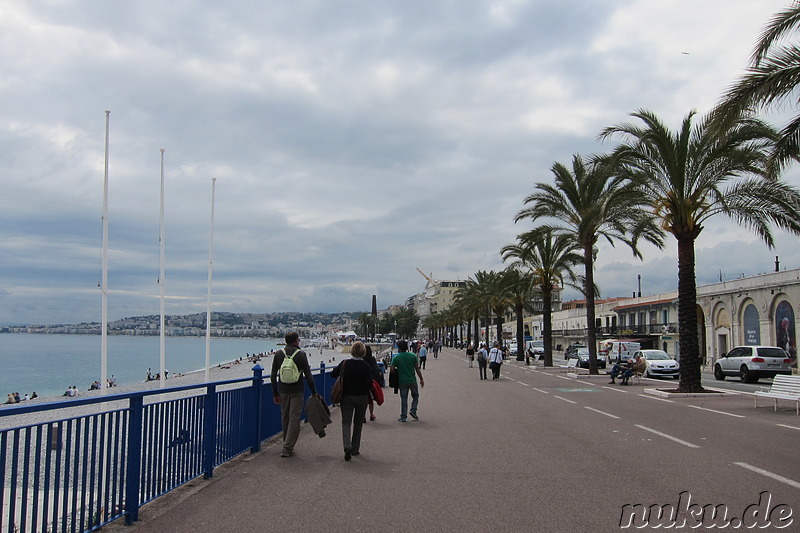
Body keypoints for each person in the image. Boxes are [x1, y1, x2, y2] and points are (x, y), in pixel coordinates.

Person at [270, 332, 319, 458]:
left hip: (283, 390)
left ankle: (287, 443)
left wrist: (275, 392)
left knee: (285, 417)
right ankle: (287, 447)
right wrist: (314, 392)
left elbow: (273, 374)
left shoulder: (279, 354)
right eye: (298, 339)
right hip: (297, 390)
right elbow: (308, 375)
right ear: (296, 341)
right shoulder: (301, 354)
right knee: (294, 418)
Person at [330, 341, 373, 461]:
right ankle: (355, 449)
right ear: (363, 352)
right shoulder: (366, 366)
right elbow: (369, 384)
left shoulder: (345, 363)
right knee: (358, 423)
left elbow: (333, 374)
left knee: (346, 422)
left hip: (347, 397)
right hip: (362, 397)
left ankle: (346, 446)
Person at [390, 339, 424, 422]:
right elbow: (417, 369)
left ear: (400, 348)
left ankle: (403, 416)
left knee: (404, 398)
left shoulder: (396, 358)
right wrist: (421, 379)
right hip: (412, 379)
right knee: (415, 396)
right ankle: (413, 410)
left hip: (402, 381)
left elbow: (392, 370)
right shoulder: (412, 356)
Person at [363, 345, 381, 421]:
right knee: (370, 399)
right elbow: (376, 368)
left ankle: (363, 416)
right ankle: (371, 415)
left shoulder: (361, 359)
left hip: (362, 381)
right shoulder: (372, 359)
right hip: (371, 381)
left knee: (363, 400)